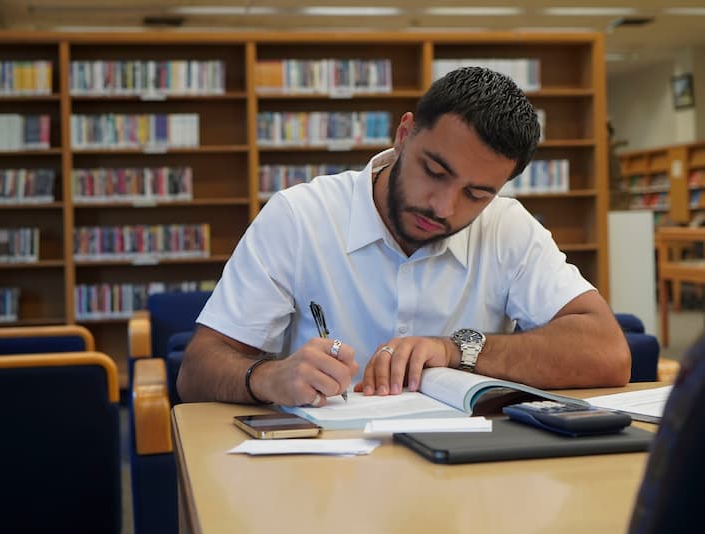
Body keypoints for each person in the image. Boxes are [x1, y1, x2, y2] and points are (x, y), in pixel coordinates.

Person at [177, 66, 630, 407]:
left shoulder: (509, 227)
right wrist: (268, 377)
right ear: (405, 134)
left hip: (467, 480)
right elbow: (198, 367)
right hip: (322, 480)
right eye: (434, 171)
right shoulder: (299, 216)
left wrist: (456, 351)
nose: (443, 207)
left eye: (476, 193)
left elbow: (607, 353)